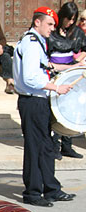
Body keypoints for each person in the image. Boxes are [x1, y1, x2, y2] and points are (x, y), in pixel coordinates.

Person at [13, 7, 77, 207]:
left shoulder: (37, 42)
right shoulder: (31, 43)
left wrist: (74, 68)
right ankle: (32, 193)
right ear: (37, 22)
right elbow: (30, 77)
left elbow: (46, 67)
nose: (52, 28)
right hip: (32, 101)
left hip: (38, 101)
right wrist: (57, 87)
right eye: (49, 24)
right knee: (35, 147)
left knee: (46, 147)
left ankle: (51, 188)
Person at [48, 1, 86, 159]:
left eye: (73, 19)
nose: (70, 22)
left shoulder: (76, 32)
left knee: (70, 106)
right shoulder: (52, 30)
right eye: (68, 19)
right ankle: (55, 145)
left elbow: (84, 48)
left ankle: (67, 145)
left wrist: (79, 63)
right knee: (57, 109)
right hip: (55, 71)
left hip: (71, 72)